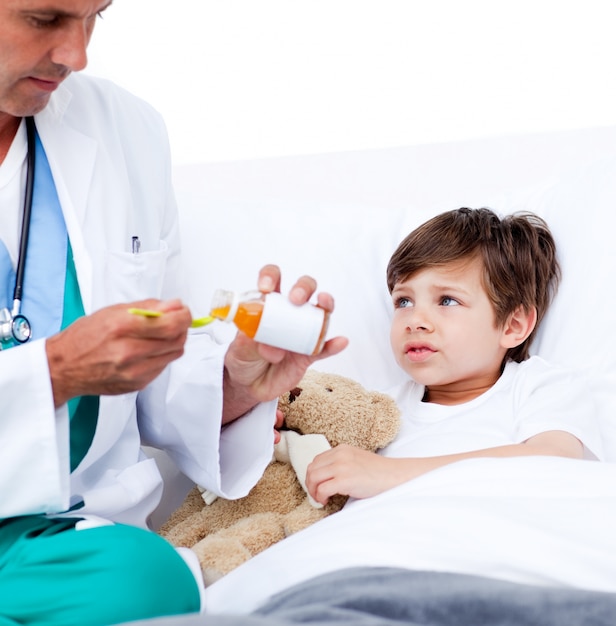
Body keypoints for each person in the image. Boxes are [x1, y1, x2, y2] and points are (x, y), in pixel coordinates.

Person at [0, 1, 347, 625]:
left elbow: (139, 383)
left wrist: (235, 382)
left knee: (145, 580)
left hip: (52, 541)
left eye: (95, 16)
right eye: (45, 18)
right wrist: (52, 373)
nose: (76, 55)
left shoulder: (126, 130)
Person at [305, 207, 603, 505]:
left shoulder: (540, 388)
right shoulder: (378, 411)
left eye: (447, 300)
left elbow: (553, 462)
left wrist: (389, 474)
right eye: (404, 301)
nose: (415, 320)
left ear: (513, 325)